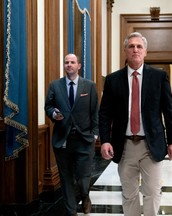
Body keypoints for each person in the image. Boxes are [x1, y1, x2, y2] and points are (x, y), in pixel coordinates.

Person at [99, 32, 172, 216]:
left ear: (145, 51)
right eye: (131, 46)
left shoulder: (159, 77)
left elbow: (169, 111)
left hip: (151, 145)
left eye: (139, 46)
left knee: (152, 192)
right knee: (129, 194)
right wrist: (104, 140)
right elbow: (104, 114)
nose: (135, 49)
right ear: (125, 51)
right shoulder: (113, 80)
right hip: (125, 145)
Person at [45, 53, 99, 216]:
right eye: (66, 62)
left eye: (72, 62)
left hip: (84, 140)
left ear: (79, 66)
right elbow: (48, 106)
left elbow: (95, 111)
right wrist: (54, 114)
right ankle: (71, 212)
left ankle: (85, 196)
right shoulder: (55, 85)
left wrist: (95, 134)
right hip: (62, 140)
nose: (69, 64)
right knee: (66, 178)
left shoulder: (89, 86)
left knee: (83, 178)